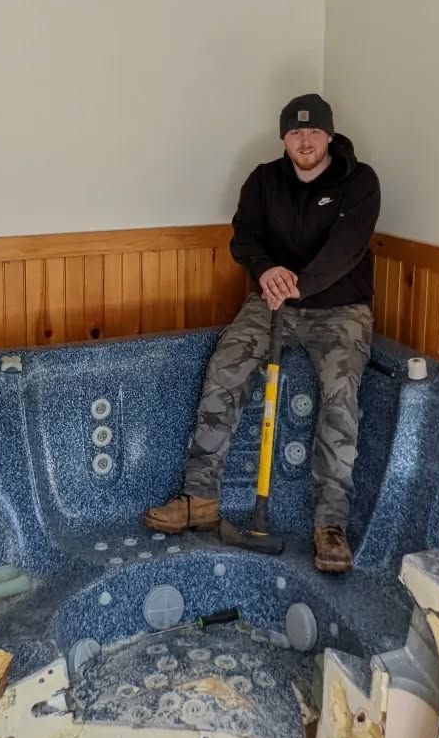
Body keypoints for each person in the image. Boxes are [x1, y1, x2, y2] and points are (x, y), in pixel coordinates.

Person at [145, 94, 380, 573]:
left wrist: (298, 283)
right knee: (225, 366)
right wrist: (266, 269)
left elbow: (347, 248)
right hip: (272, 299)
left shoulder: (360, 182)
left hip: (339, 308)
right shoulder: (263, 180)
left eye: (314, 131)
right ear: (284, 138)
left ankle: (329, 524)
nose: (305, 140)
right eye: (296, 132)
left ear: (329, 135)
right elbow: (242, 236)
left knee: (341, 394)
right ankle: (201, 497)